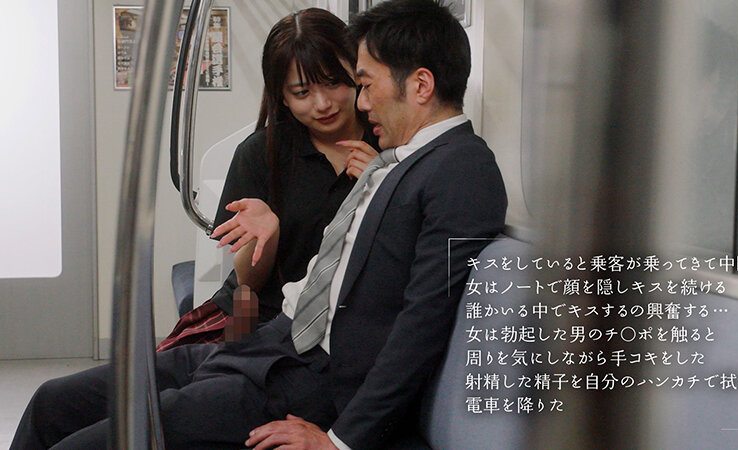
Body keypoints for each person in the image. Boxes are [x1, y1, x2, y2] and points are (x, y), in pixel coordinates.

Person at [11, 1, 507, 448]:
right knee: (55, 402)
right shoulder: (400, 161)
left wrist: (342, 441)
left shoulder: (461, 169)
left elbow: (424, 318)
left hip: (307, 371)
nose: (358, 102)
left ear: (420, 85)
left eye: (364, 84)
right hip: (268, 342)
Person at [156, 7, 380, 351]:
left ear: (356, 72)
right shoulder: (260, 153)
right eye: (302, 93)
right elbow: (248, 284)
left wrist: (384, 184)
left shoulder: (389, 145)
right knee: (147, 377)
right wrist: (267, 236)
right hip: (260, 318)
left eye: (333, 82)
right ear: (283, 98)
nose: (322, 104)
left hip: (344, 328)